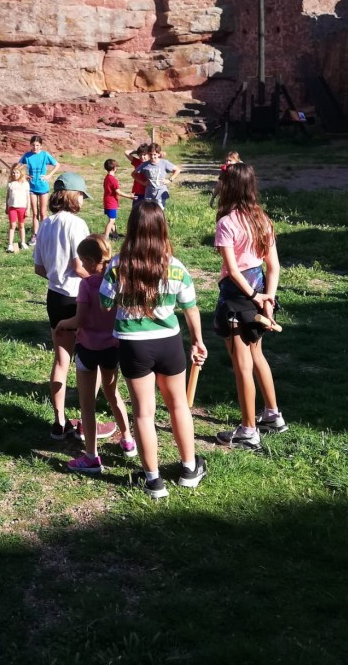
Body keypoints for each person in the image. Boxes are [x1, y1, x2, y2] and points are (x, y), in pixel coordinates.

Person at [100, 201, 208, 499]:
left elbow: (105, 304)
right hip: (169, 342)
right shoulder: (176, 267)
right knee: (178, 406)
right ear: (162, 229)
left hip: (133, 346)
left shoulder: (118, 265)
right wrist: (198, 340)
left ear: (132, 228)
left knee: (144, 414)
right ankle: (189, 469)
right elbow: (191, 308)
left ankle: (153, 481)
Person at [34, 172, 117, 441]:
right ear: (72, 194)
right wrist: (101, 282)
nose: (83, 200)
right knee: (87, 361)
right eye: (81, 195)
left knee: (61, 360)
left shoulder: (45, 224)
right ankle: (85, 421)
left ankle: (59, 422)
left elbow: (39, 268)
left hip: (54, 298)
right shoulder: (77, 224)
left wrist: (56, 277)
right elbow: (81, 266)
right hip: (79, 298)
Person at [211, 163, 287, 452]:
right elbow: (274, 266)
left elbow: (231, 269)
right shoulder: (263, 219)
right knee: (258, 355)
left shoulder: (227, 222)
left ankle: (248, 431)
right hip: (259, 291)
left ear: (228, 187)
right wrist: (268, 296)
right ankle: (272, 415)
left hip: (237, 297)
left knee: (242, 364)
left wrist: (256, 297)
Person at [55, 235, 137, 474]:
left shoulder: (88, 285)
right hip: (112, 347)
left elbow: (79, 320)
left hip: (88, 349)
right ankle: (128, 438)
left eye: (82, 261)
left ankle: (91, 456)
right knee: (113, 393)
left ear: (91, 261)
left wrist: (63, 323)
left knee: (87, 403)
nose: (80, 265)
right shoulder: (119, 281)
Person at [18, 135, 60, 246]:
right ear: (30, 145)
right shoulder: (27, 156)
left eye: (37, 145)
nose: (35, 147)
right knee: (35, 213)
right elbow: (18, 167)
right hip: (31, 187)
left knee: (43, 213)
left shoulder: (45, 155)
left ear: (41, 146)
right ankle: (35, 235)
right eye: (33, 145)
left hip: (43, 187)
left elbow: (57, 165)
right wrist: (24, 175)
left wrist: (49, 175)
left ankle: (45, 235)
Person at [135, 144, 180, 208]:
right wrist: (142, 182)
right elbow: (133, 174)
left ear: (158, 154)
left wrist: (170, 179)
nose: (152, 157)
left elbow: (177, 170)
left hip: (160, 192)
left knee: (159, 212)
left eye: (154, 154)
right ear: (148, 154)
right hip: (149, 193)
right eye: (150, 154)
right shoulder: (145, 165)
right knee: (149, 212)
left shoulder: (164, 163)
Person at [101, 159, 133, 241]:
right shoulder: (113, 179)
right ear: (115, 168)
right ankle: (106, 237)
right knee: (111, 221)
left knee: (112, 220)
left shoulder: (107, 178)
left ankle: (115, 235)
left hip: (107, 201)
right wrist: (129, 196)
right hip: (111, 203)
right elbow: (118, 192)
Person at [5, 163, 30, 253]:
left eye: (17, 173)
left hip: (22, 207)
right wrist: (6, 206)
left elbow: (28, 197)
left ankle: (23, 242)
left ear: (21, 174)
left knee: (21, 225)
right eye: (13, 173)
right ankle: (10, 244)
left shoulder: (25, 184)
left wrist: (28, 209)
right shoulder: (10, 184)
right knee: (12, 225)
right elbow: (7, 196)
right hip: (12, 207)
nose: (15, 175)